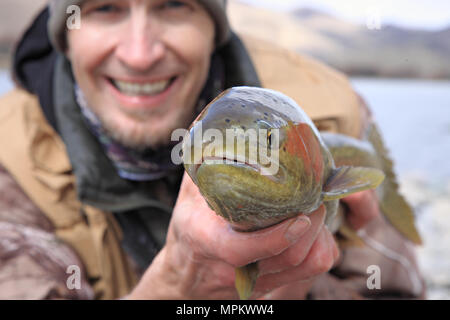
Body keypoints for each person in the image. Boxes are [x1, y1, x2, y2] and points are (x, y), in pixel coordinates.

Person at [0, 0, 425, 300]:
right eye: (105, 8)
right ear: (66, 33)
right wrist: (172, 290)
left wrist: (305, 290)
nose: (140, 54)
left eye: (173, 5)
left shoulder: (337, 111)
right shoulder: (8, 157)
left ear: (213, 25)